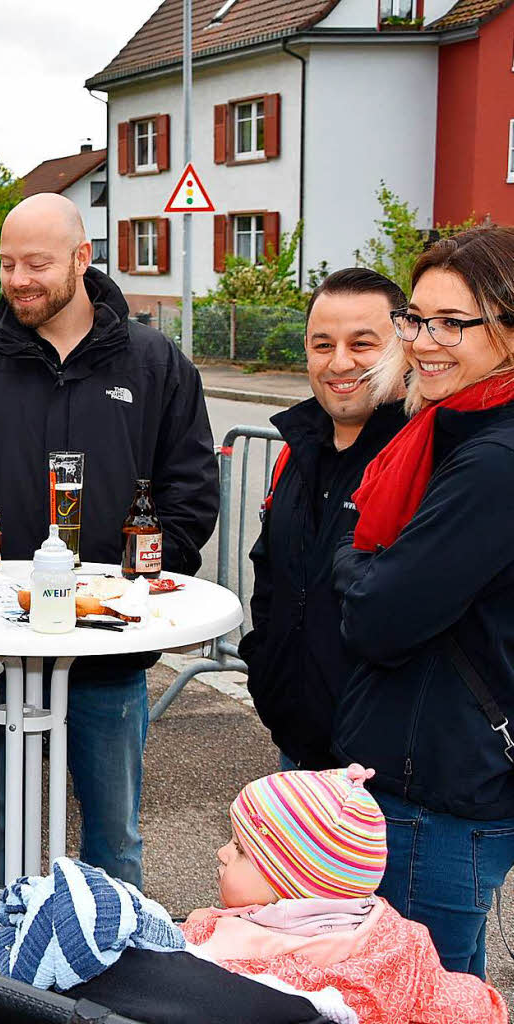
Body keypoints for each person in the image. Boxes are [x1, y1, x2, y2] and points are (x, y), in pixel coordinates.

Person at [0, 192, 219, 885]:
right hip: (0, 648)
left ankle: (120, 977)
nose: (19, 278)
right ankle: (1, 978)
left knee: (114, 840)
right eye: (7, 263)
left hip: (109, 651)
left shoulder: (155, 364)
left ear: (83, 258)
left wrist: (131, 584)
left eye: (37, 262)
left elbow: (191, 494)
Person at [332, 226, 514, 977]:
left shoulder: (493, 460)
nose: (423, 341)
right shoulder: (450, 430)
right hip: (433, 770)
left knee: (417, 992)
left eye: (452, 323)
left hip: (438, 789)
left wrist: (351, 559)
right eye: (417, 318)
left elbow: (378, 618)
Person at [238, 269, 407, 771]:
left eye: (363, 343)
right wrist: (263, 664)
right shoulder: (296, 451)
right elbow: (271, 577)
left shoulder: (422, 459)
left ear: (405, 347)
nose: (340, 362)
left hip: (385, 770)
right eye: (322, 344)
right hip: (298, 745)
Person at [181, 766, 508, 1023]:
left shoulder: (225, 956)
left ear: (296, 885)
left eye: (240, 849)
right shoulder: (400, 939)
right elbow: (461, 1006)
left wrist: (190, 933)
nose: (221, 852)